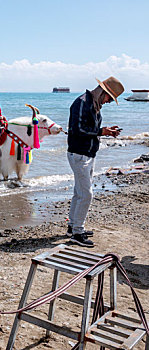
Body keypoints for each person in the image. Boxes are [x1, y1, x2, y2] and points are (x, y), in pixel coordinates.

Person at [66, 76, 124, 247]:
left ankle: (73, 227)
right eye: (109, 99)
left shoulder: (94, 104)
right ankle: (77, 233)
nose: (108, 102)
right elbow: (78, 129)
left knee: (80, 192)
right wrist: (101, 131)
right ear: (103, 92)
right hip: (79, 154)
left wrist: (106, 131)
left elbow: (90, 129)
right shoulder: (82, 103)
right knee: (87, 194)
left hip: (87, 154)